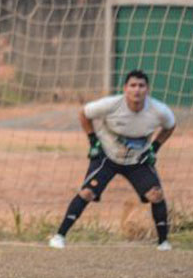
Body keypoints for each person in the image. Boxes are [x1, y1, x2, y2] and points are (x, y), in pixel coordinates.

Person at [50, 70, 176, 250]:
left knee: (156, 194)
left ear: (147, 90)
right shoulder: (110, 104)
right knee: (87, 192)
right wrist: (93, 141)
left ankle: (163, 243)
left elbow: (170, 126)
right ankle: (59, 236)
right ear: (125, 89)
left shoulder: (159, 110)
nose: (137, 90)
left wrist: (155, 148)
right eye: (133, 85)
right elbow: (84, 114)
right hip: (107, 156)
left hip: (137, 160)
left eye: (141, 86)